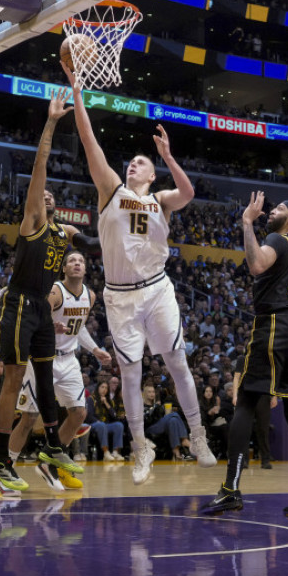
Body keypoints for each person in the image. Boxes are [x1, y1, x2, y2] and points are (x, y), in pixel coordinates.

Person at [65, 68, 216, 485]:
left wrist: (167, 157)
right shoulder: (112, 189)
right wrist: (79, 94)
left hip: (156, 289)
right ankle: (139, 447)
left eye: (141, 162)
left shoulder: (163, 200)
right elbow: (90, 141)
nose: (133, 164)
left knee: (177, 362)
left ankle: (198, 435)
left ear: (151, 175)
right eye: (132, 161)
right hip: (118, 296)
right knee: (129, 374)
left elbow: (188, 194)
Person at [202, 192, 288, 516]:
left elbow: (257, 264)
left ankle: (230, 490)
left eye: (281, 207)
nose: (274, 209)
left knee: (246, 400)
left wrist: (247, 223)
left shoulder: (279, 239)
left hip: (276, 323)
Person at [0, 89, 80, 492]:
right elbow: (40, 167)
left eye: (52, 194)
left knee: (45, 375)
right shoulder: (33, 222)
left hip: (42, 306)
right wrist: (52, 122)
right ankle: (0, 459)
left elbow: (90, 245)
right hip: (20, 301)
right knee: (14, 377)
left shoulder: (65, 233)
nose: (47, 194)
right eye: (42, 194)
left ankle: (54, 445)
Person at [0, 252, 111, 495]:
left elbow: (77, 329)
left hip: (69, 360)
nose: (77, 263)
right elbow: (32, 318)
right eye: (72, 261)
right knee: (28, 418)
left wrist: (96, 349)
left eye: (81, 261)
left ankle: (50, 461)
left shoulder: (89, 295)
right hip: (42, 358)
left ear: (86, 269)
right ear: (64, 269)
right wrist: (47, 325)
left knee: (79, 413)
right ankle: (5, 472)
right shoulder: (55, 292)